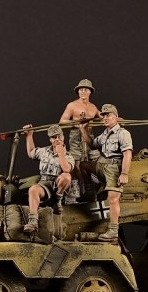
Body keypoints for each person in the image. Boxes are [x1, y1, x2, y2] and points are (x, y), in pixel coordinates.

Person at [78, 104, 133, 242]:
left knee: (113, 199)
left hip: (114, 168)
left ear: (116, 116)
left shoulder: (122, 133)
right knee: (83, 165)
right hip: (102, 165)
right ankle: (90, 193)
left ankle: (113, 231)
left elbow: (127, 154)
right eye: (103, 115)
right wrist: (83, 130)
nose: (105, 118)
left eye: (108, 115)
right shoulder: (105, 134)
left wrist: (124, 173)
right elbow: (92, 144)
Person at [22, 124, 74, 233]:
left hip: (58, 185)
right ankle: (33, 221)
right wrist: (29, 135)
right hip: (45, 184)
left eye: (59, 136)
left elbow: (66, 169)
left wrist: (60, 154)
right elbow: (31, 152)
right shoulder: (44, 151)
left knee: (67, 176)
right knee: (33, 190)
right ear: (50, 139)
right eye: (54, 137)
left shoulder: (68, 156)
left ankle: (57, 201)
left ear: (63, 137)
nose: (57, 139)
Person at [59, 79, 101, 200]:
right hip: (76, 137)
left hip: (88, 136)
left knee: (93, 161)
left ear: (90, 92)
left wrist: (116, 118)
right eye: (81, 89)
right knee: (76, 164)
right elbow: (62, 121)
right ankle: (76, 189)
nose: (83, 91)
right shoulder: (72, 105)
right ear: (78, 91)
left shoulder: (93, 107)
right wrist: (78, 124)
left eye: (86, 89)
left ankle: (92, 188)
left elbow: (103, 117)